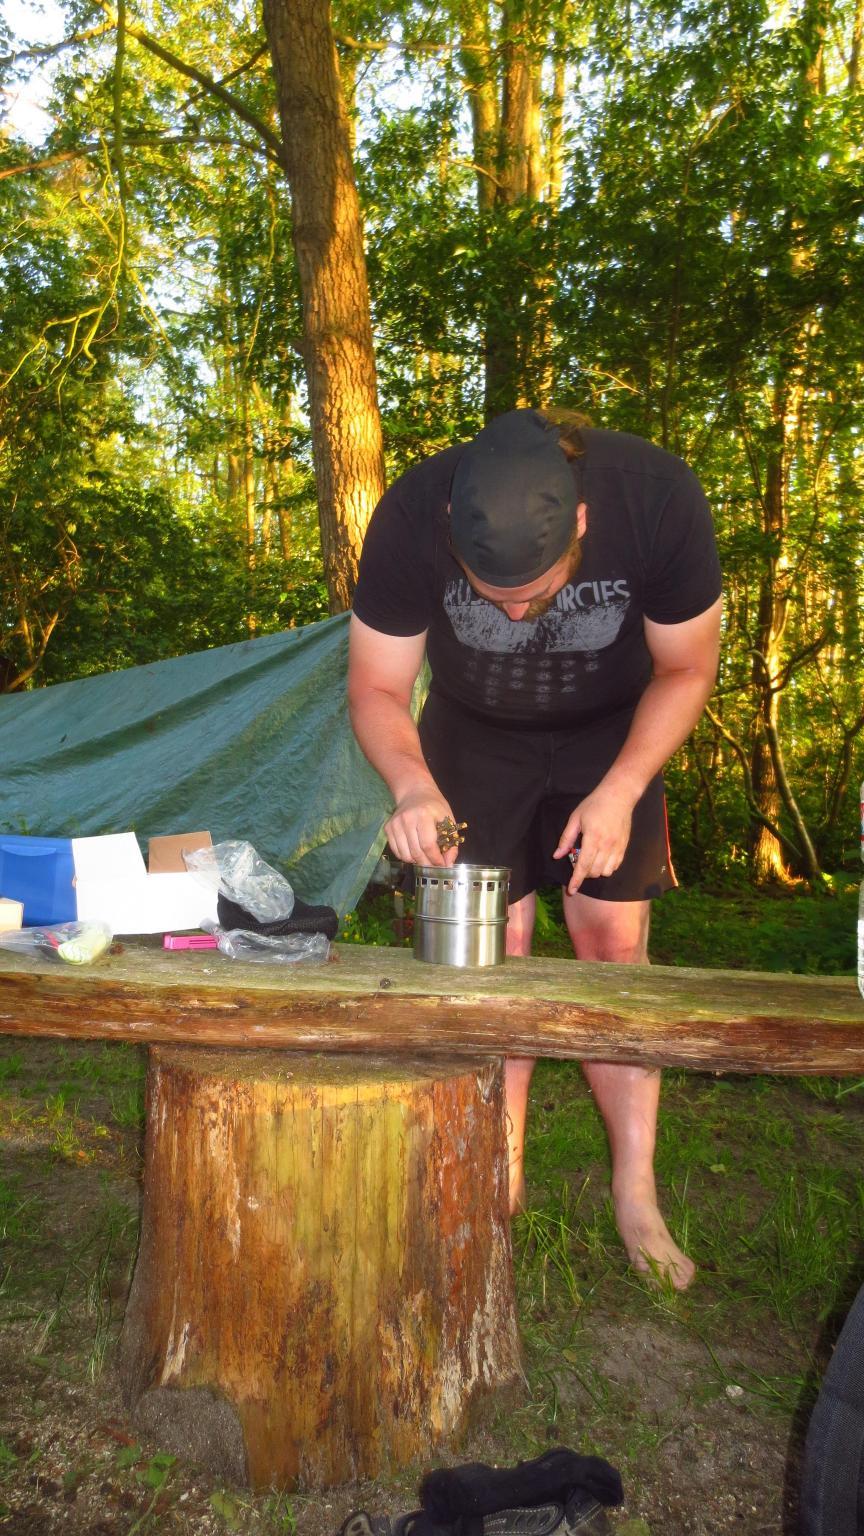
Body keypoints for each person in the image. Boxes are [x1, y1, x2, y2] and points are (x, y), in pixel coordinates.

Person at [347, 407, 722, 1290]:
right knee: (490, 951)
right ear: (452, 528)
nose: (514, 612)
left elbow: (687, 668)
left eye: (534, 590)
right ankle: (498, 1172)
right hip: (474, 734)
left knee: (613, 949)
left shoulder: (656, 497)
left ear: (581, 520)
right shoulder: (413, 512)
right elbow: (376, 686)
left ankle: (636, 1194)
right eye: (492, 594)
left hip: (615, 732)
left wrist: (624, 789)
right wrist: (412, 785)